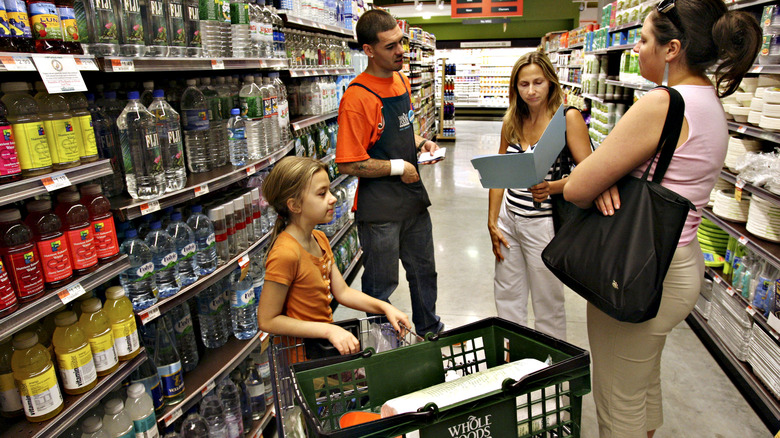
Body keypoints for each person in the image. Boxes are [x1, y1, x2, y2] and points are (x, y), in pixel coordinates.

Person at [563, 1, 761, 436]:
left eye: (645, 39)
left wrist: (599, 176)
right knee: (642, 383)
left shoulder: (663, 103)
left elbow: (577, 188)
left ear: (672, 49)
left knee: (619, 403)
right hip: (681, 259)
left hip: (640, 265)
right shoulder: (710, 101)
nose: (638, 46)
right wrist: (611, 173)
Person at [335, 9, 443, 337]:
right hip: (380, 209)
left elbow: (399, 132)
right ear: (368, 50)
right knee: (381, 286)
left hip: (412, 200)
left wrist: (422, 142)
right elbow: (348, 163)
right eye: (390, 46)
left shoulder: (400, 80)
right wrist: (399, 167)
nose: (401, 51)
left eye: (402, 42)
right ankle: (382, 350)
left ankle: (429, 331)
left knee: (424, 272)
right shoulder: (357, 98)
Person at [257, 156, 411, 355]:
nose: (333, 198)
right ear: (294, 205)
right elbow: (267, 319)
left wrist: (384, 307)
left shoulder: (319, 238)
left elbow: (343, 292)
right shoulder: (285, 253)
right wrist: (329, 330)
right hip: (301, 359)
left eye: (329, 190)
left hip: (321, 350)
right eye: (322, 194)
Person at [487, 51, 591, 340]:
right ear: (515, 87)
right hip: (510, 218)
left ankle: (549, 361)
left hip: (543, 224)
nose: (531, 91)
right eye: (523, 84)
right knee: (507, 293)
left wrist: (553, 187)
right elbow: (498, 173)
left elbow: (591, 172)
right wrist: (493, 221)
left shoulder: (567, 119)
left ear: (551, 83)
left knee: (547, 301)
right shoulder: (512, 120)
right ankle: (511, 356)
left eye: (538, 82)